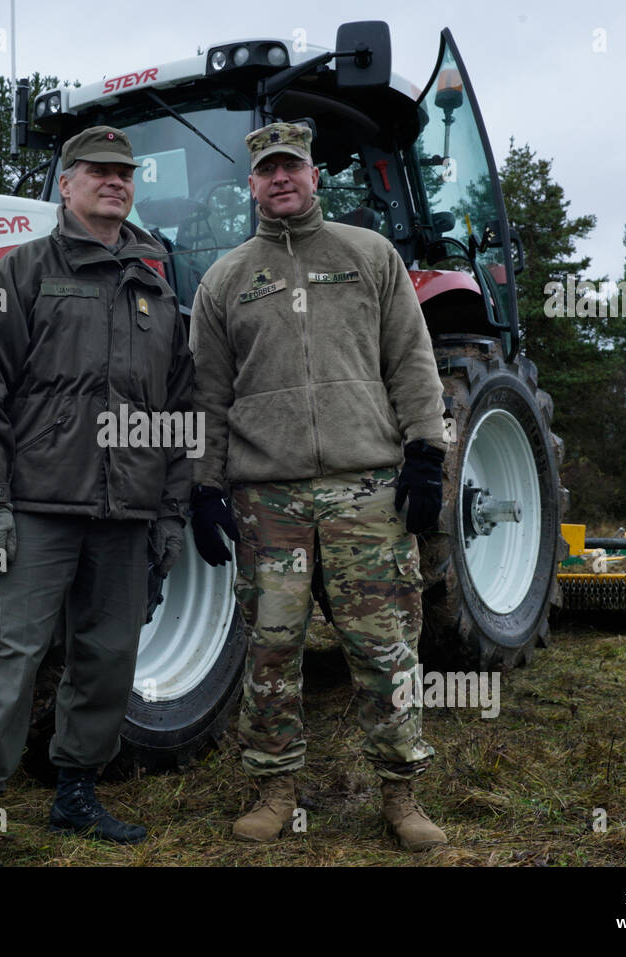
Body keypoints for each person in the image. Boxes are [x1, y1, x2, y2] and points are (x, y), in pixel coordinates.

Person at [188, 121, 451, 851]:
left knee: (384, 645)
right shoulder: (226, 279)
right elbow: (208, 397)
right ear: (252, 184)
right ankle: (274, 786)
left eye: (292, 167)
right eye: (267, 170)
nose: (281, 179)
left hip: (365, 488)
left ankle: (401, 793)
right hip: (266, 499)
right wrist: (205, 487)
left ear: (313, 175)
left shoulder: (370, 256)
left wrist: (426, 453)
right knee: (271, 646)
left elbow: (411, 361)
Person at [0, 126, 193, 866]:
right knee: (8, 656)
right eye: (97, 172)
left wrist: (172, 510)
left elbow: (184, 409)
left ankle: (75, 792)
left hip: (127, 514)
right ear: (66, 183)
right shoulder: (22, 272)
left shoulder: (156, 286)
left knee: (110, 656)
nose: (114, 182)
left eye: (124, 173)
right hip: (36, 510)